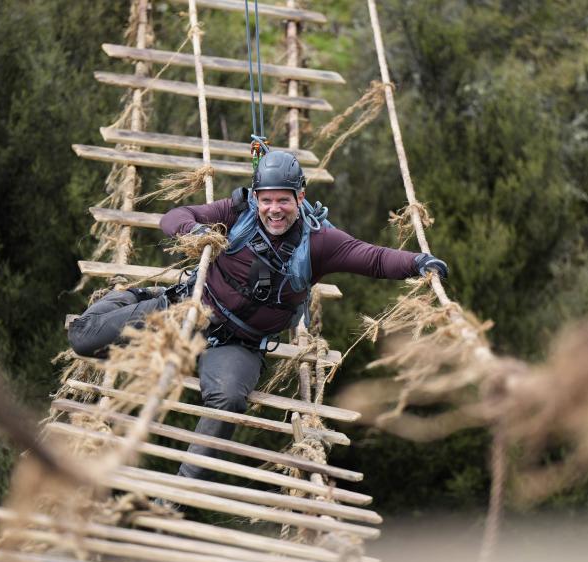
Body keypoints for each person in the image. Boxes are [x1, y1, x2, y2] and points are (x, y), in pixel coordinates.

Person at [68, 151, 448, 480]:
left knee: (229, 401)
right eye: (267, 200)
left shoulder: (319, 242)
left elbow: (374, 258)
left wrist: (419, 263)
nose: (274, 210)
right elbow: (173, 217)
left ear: (300, 197)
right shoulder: (236, 212)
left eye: (283, 200)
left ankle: (179, 489)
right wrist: (197, 230)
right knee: (83, 338)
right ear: (257, 198)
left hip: (238, 343)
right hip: (187, 311)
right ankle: (133, 298)